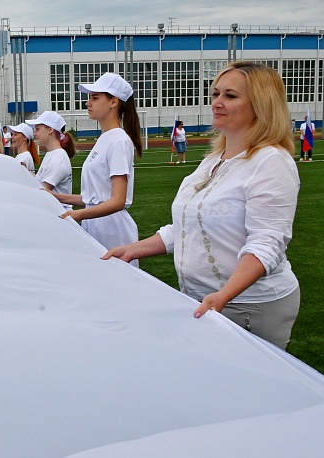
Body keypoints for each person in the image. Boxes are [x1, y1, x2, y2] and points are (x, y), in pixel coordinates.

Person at [103, 61, 300, 350]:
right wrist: (132, 249)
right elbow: (185, 226)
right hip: (204, 300)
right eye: (216, 93)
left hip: (248, 306)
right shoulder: (212, 160)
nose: (217, 102)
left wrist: (224, 295)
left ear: (261, 104)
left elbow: (267, 243)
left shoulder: (271, 162)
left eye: (230, 96)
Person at [50, 73, 143, 263]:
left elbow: (117, 200)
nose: (88, 103)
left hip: (111, 229)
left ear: (114, 102)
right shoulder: (105, 139)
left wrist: (79, 214)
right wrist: (55, 197)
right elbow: (93, 198)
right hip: (97, 224)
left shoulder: (118, 141)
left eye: (95, 97)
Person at [27, 113, 76, 211]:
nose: (34, 134)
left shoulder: (57, 158)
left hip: (58, 214)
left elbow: (42, 191)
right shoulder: (52, 154)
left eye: (37, 129)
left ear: (50, 129)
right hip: (53, 212)